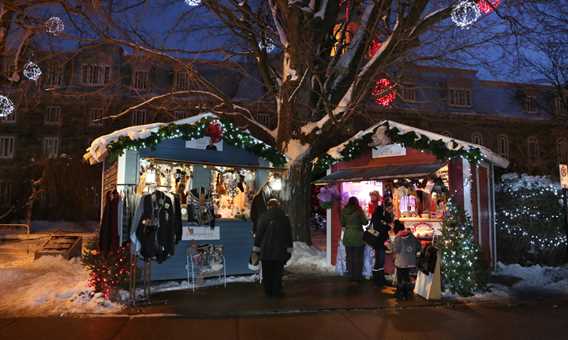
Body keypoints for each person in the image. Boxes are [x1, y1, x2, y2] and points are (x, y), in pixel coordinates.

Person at [253, 198, 293, 297]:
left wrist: (256, 249)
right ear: (278, 206)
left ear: (268, 206)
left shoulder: (263, 217)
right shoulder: (284, 218)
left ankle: (268, 291)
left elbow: (259, 235)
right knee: (277, 272)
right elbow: (288, 235)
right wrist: (289, 250)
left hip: (266, 250)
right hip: (280, 250)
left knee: (267, 272)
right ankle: (277, 291)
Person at [392, 220, 421, 300]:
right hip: (411, 261)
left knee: (400, 277)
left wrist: (390, 245)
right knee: (407, 276)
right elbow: (418, 247)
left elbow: (396, 250)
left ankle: (401, 294)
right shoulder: (412, 236)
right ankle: (408, 293)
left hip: (401, 262)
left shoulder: (398, 238)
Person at [341, 197, 368, 282]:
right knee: (358, 257)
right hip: (358, 236)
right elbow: (365, 222)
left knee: (349, 256)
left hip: (348, 235)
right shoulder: (359, 210)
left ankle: (350, 274)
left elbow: (342, 223)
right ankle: (357, 276)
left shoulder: (344, 210)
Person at [369, 205, 391, 287]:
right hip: (380, 243)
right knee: (380, 261)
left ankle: (380, 279)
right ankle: (378, 280)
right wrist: (386, 225)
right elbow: (385, 227)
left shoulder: (375, 217)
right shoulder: (378, 218)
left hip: (377, 242)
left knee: (380, 261)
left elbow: (388, 221)